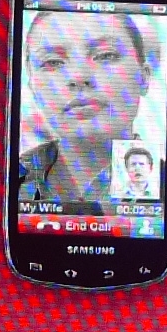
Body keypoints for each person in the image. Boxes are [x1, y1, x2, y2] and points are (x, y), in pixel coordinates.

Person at [18, 11, 154, 213]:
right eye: (53, 62)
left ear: (143, 78)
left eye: (105, 55)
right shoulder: (4, 180)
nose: (79, 77)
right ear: (33, 88)